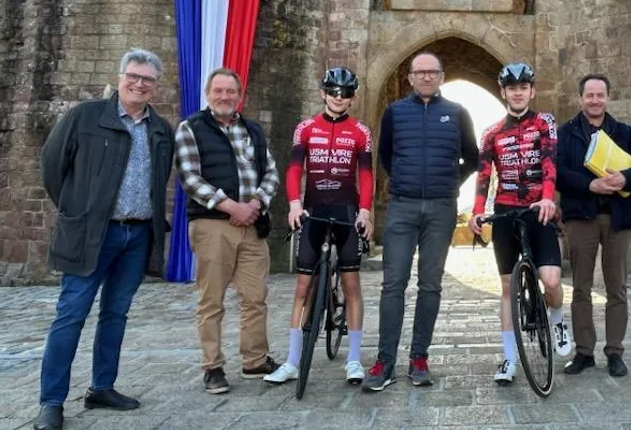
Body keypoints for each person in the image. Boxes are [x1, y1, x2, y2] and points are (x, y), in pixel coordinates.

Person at [33, 49, 174, 430]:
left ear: (155, 86)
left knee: (115, 314)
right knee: (71, 314)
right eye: (134, 76)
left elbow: (158, 182)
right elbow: (51, 166)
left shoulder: (160, 130)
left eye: (147, 79)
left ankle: (102, 387)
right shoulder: (86, 117)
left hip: (137, 233)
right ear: (121, 76)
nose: (139, 84)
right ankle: (51, 401)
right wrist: (77, 211)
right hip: (92, 234)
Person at [363, 52, 479, 391]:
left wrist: (449, 183)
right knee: (393, 283)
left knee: (430, 285)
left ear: (441, 76)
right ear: (410, 78)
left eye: (433, 72)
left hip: (441, 209)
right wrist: (403, 179)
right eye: (420, 72)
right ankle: (385, 361)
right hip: (403, 206)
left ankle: (418, 357)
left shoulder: (457, 113)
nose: (427, 77)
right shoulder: (395, 113)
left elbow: (472, 158)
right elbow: (385, 155)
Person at [264, 68, 374, 386]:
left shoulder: (360, 132)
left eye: (345, 93)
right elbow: (295, 168)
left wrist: (365, 211)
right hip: (312, 210)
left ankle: (353, 359)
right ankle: (293, 361)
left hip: (346, 210)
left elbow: (365, 175)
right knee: (302, 289)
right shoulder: (306, 128)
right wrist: (295, 203)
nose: (339, 97)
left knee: (352, 286)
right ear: (323, 93)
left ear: (353, 98)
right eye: (333, 91)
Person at [176, 68, 281, 395]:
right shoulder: (190, 129)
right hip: (213, 226)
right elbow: (190, 178)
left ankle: (254, 359)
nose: (225, 97)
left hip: (252, 224)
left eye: (230, 92)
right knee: (212, 300)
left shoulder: (252, 130)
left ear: (239, 95)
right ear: (208, 94)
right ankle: (213, 366)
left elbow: (271, 173)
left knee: (255, 297)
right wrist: (230, 206)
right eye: (218, 91)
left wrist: (255, 204)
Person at [470, 62, 572, 384]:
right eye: (511, 88)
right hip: (505, 210)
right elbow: (484, 174)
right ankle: (509, 359)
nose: (517, 92)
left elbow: (549, 162)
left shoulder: (544, 123)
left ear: (531, 90)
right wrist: (476, 210)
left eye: (523, 87)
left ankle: (556, 321)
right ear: (503, 92)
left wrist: (547, 197)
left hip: (537, 208)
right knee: (506, 289)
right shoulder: (491, 133)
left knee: (552, 280)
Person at [556, 74, 631, 378]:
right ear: (580, 98)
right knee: (581, 287)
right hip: (581, 217)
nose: (595, 100)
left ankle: (615, 352)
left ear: (608, 98)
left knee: (617, 287)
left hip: (618, 217)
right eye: (590, 95)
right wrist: (590, 185)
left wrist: (626, 179)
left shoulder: (623, 132)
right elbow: (556, 173)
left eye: (600, 95)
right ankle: (584, 352)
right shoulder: (566, 133)